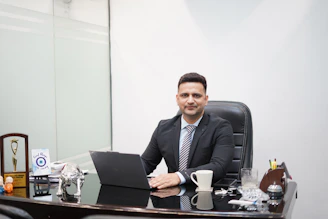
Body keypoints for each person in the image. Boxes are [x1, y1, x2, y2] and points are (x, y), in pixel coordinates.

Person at [141, 72, 234, 189]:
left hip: (206, 196)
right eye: (185, 95)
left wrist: (179, 176)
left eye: (196, 95)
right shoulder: (163, 127)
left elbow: (219, 166)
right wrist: (124, 173)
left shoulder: (221, 127)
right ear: (177, 99)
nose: (190, 101)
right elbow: (146, 163)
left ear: (206, 99)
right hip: (172, 197)